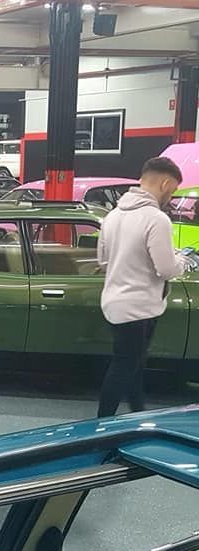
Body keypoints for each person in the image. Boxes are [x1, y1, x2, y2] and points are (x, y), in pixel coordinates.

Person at [97, 157, 192, 418]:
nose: (170, 197)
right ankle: (101, 425)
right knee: (125, 366)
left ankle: (138, 414)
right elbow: (166, 269)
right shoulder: (156, 219)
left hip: (114, 303)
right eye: (172, 191)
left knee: (133, 365)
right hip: (139, 308)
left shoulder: (112, 216)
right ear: (164, 183)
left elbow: (103, 261)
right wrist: (183, 261)